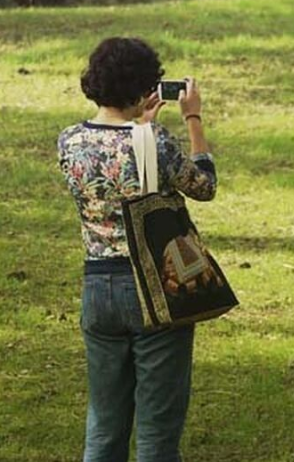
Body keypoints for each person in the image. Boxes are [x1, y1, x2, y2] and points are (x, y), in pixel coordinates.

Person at [57, 37, 217, 462]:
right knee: (156, 435)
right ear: (145, 87)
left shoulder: (69, 141)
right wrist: (193, 118)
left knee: (104, 427)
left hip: (97, 289)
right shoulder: (156, 142)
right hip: (155, 287)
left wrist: (141, 124)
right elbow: (205, 187)